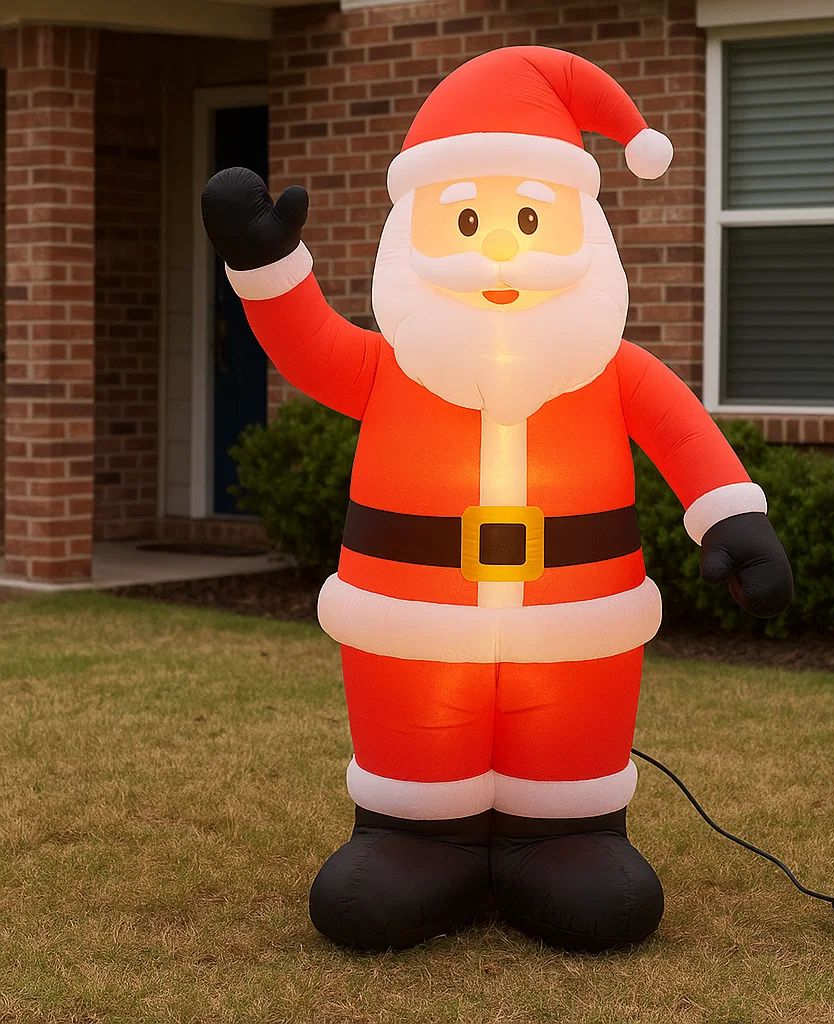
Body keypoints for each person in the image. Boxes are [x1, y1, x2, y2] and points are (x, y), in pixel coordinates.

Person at [201, 45, 793, 953]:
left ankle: (562, 832)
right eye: (469, 219)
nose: (502, 248)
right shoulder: (392, 368)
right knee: (400, 795)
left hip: (578, 629)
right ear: (418, 228)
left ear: (581, 228)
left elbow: (683, 435)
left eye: (527, 217)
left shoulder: (609, 370)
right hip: (412, 624)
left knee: (586, 829)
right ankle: (416, 833)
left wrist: (734, 518)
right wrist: (268, 264)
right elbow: (311, 344)